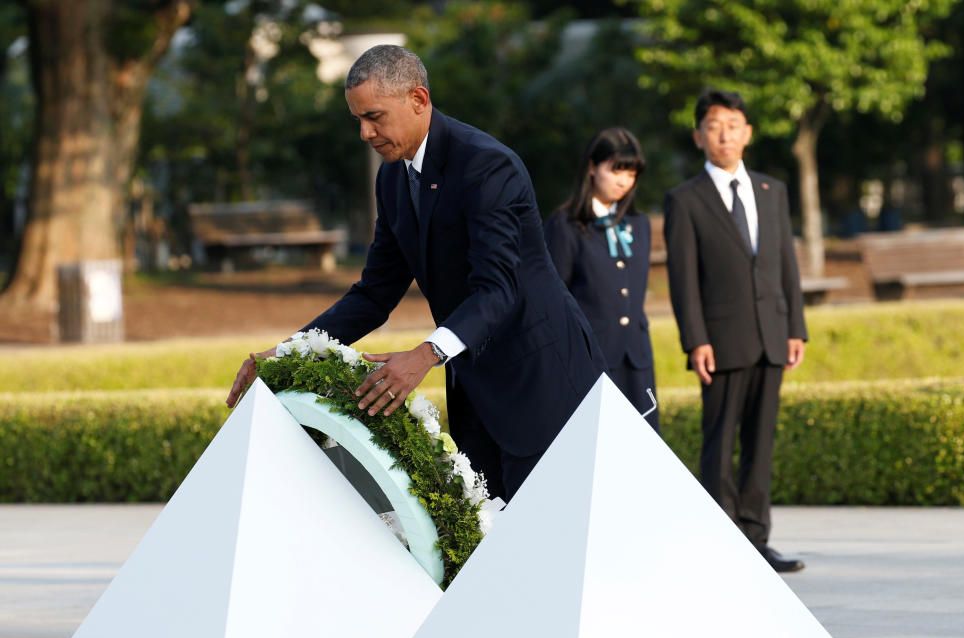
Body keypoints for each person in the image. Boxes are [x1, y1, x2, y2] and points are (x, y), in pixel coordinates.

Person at [226, 45, 605, 502]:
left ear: (418, 100)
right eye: (358, 120)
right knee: (495, 543)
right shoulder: (392, 179)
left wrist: (424, 355)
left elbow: (498, 289)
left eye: (374, 117)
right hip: (476, 386)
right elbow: (373, 294)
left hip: (543, 377)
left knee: (551, 536)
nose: (365, 133)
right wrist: (288, 354)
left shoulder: (486, 165)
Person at [663, 89, 808, 573]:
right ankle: (722, 541)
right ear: (698, 136)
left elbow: (786, 263)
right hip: (721, 342)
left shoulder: (772, 190)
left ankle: (757, 539)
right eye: (714, 124)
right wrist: (695, 339)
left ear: (748, 132)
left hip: (772, 335)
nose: (725, 132)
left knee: (761, 442)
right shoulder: (685, 200)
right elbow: (683, 279)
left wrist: (796, 328)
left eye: (733, 123)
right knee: (720, 441)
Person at [544, 128, 659, 433]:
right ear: (593, 167)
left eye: (632, 172)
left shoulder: (639, 224)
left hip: (637, 360)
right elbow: (553, 300)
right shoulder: (565, 225)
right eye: (616, 169)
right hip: (590, 360)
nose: (624, 181)